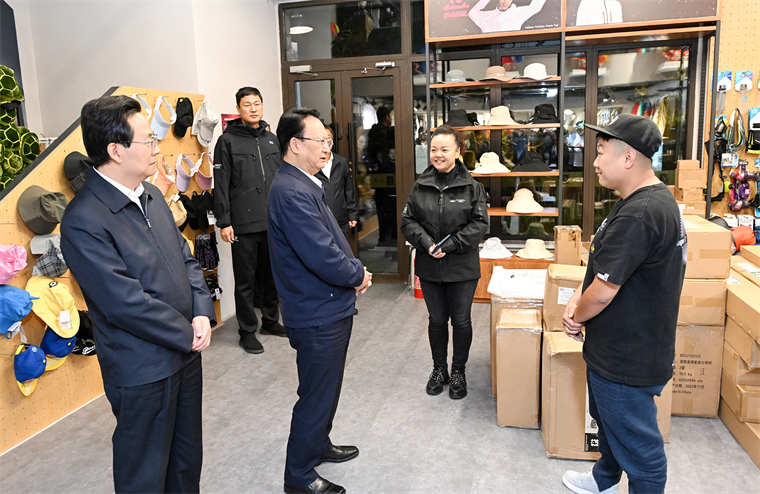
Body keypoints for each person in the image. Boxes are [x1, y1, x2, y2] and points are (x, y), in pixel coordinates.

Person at [60, 95, 217, 494]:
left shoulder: (150, 195)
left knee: (186, 464)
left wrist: (202, 311)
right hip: (142, 368)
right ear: (116, 150)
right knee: (145, 474)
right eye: (149, 141)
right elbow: (124, 303)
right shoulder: (84, 220)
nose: (157, 148)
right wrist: (187, 332)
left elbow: (185, 258)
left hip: (185, 355)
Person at [560, 114, 686, 494]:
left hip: (627, 359)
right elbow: (605, 268)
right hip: (620, 349)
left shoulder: (640, 214)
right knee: (610, 426)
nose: (594, 162)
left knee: (641, 453)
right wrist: (577, 296)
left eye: (601, 153)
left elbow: (603, 291)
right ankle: (605, 481)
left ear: (628, 158)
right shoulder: (642, 200)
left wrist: (576, 316)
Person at [268, 108, 372, 494]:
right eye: (320, 141)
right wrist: (357, 275)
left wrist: (352, 272)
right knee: (315, 395)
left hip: (326, 305)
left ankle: (318, 444)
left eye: (329, 141)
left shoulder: (304, 182)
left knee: (326, 389)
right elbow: (321, 254)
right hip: (316, 311)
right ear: (295, 145)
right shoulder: (291, 190)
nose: (327, 148)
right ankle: (299, 475)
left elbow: (329, 242)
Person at [400, 125, 488, 399]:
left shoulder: (472, 187)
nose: (438, 154)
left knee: (461, 321)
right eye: (434, 149)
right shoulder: (420, 185)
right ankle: (440, 370)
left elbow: (480, 224)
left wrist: (449, 245)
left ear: (457, 152)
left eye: (444, 149)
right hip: (429, 265)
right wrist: (427, 243)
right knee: (436, 320)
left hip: (462, 267)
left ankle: (459, 371)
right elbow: (407, 221)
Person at [213, 87, 285, 355]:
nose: (253, 109)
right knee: (245, 281)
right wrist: (224, 221)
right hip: (243, 222)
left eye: (257, 103)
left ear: (262, 106)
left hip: (272, 221)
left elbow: (281, 179)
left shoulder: (272, 139)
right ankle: (247, 331)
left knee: (271, 276)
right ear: (239, 109)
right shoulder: (227, 141)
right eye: (247, 104)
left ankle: (270, 321)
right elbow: (221, 183)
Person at [468, 0, 547, 33]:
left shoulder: (517, 13)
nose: (505, 2)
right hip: (491, 51)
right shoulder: (487, 16)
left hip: (510, 49)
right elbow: (472, 13)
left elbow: (536, 7)